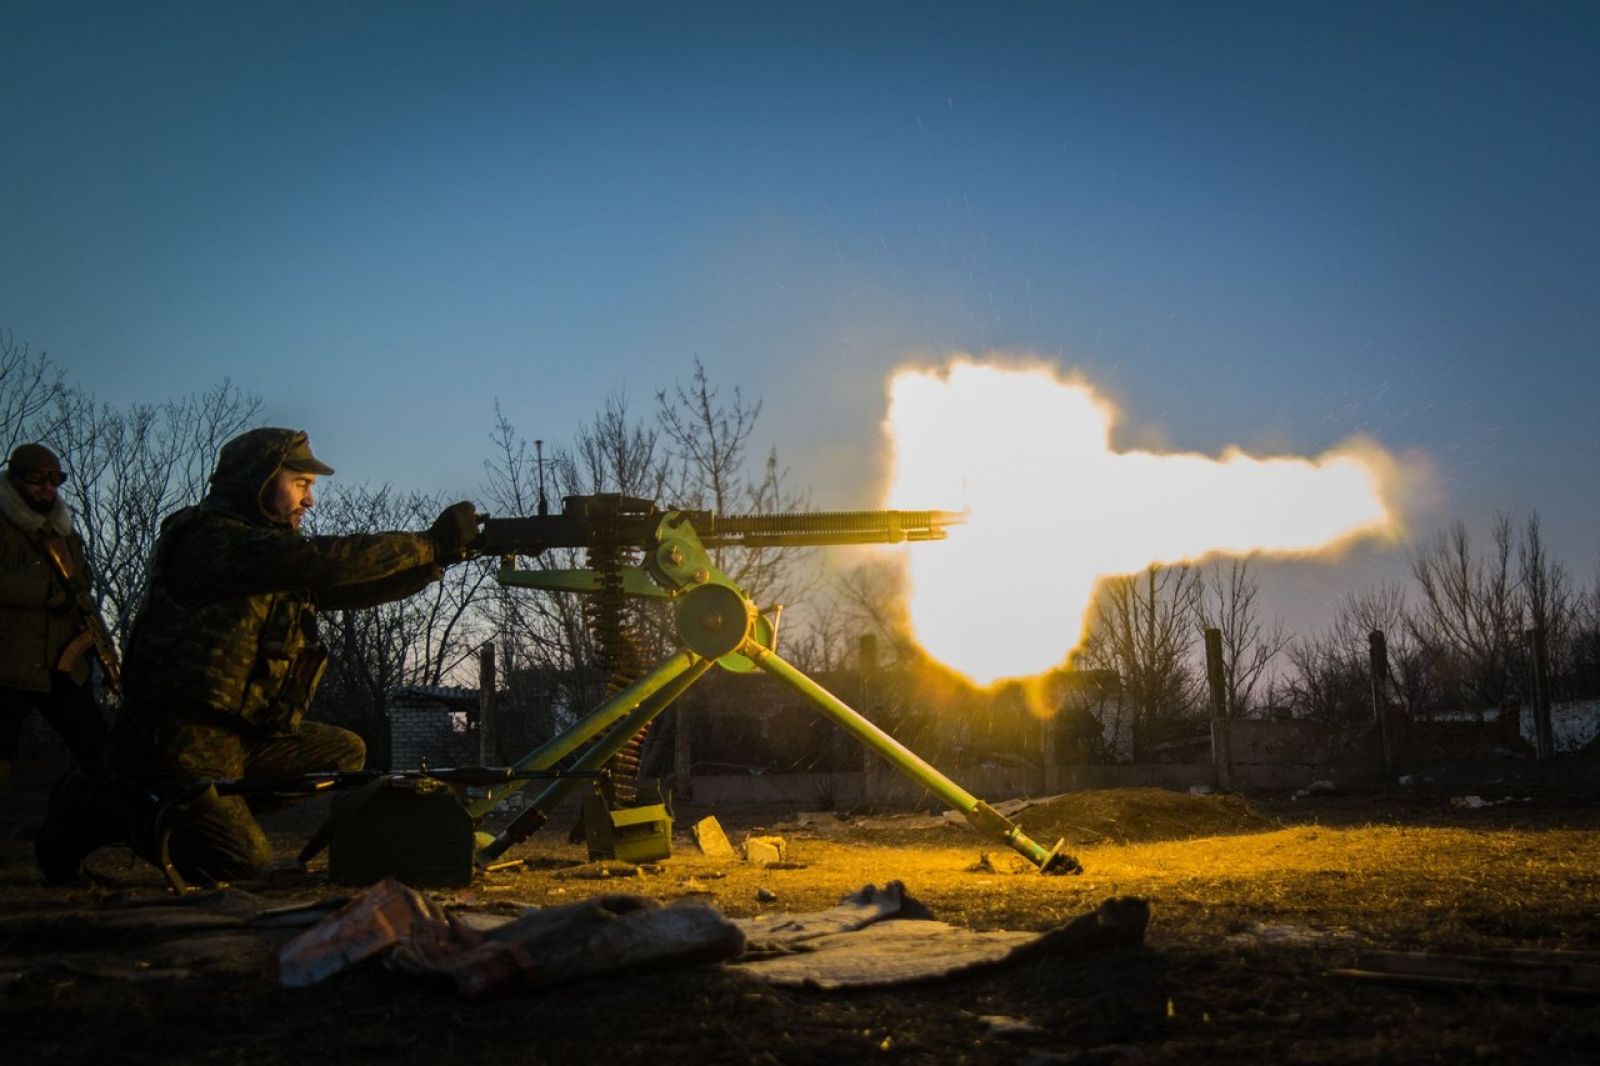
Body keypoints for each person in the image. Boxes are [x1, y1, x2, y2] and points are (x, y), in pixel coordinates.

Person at [36, 427, 479, 884]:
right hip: (176, 741)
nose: (310, 502)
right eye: (301, 485)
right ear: (259, 480)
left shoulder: (267, 559)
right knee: (239, 869)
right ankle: (106, 806)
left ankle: (206, 812)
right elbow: (323, 561)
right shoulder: (208, 539)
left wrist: (438, 561)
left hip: (244, 738)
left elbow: (350, 585)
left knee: (345, 751)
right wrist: (428, 542)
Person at [0, 444, 111, 791]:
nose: (48, 487)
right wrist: (46, 595)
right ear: (16, 479)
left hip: (61, 665)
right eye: (37, 479)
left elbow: (81, 588)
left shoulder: (64, 534)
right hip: (8, 662)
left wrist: (101, 647)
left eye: (55, 479)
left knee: (102, 751)